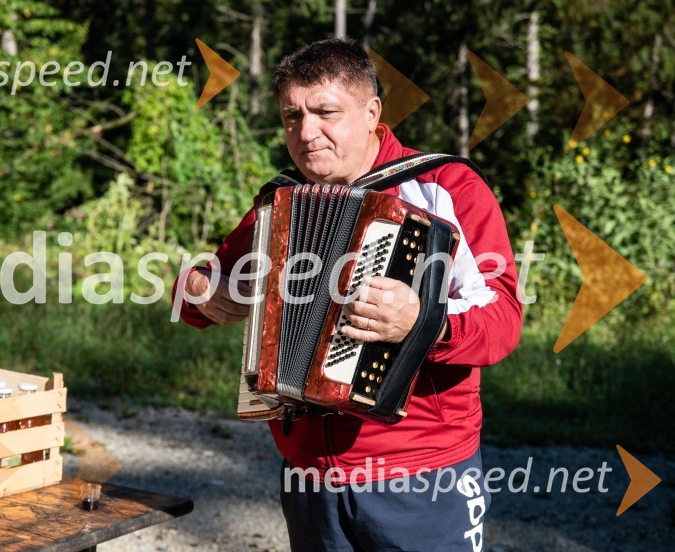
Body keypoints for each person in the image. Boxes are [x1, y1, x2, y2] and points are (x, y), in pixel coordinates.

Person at [172, 38, 521, 552]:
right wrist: (200, 286)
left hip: (420, 473)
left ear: (372, 111)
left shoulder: (446, 186)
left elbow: (504, 320)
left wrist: (425, 323)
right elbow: (205, 282)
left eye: (325, 112)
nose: (306, 132)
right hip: (309, 478)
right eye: (292, 116)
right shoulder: (281, 201)